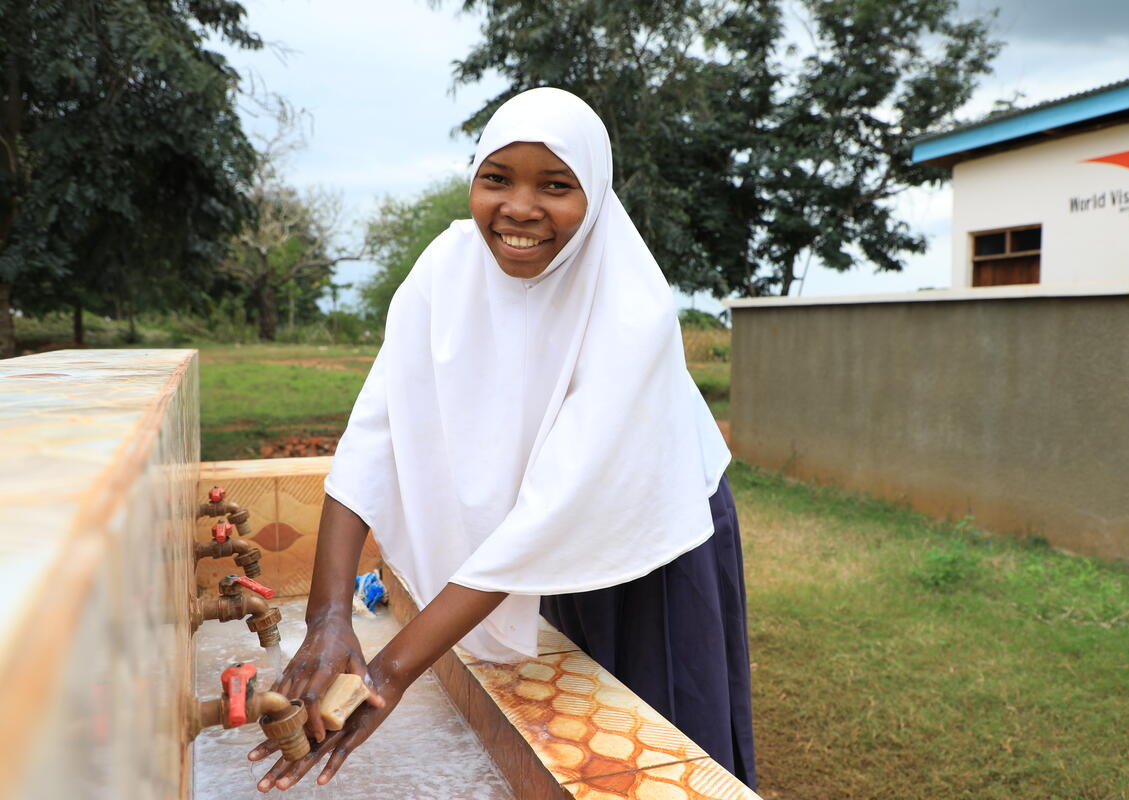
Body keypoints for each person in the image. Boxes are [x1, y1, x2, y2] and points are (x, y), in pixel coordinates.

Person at [248, 87, 756, 792]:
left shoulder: (630, 306)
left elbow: (554, 512)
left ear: (597, 194)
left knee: (656, 740)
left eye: (556, 185)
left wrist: (390, 671)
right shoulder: (444, 271)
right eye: (497, 179)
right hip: (540, 546)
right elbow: (376, 435)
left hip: (654, 546)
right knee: (569, 725)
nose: (520, 209)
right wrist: (329, 618)